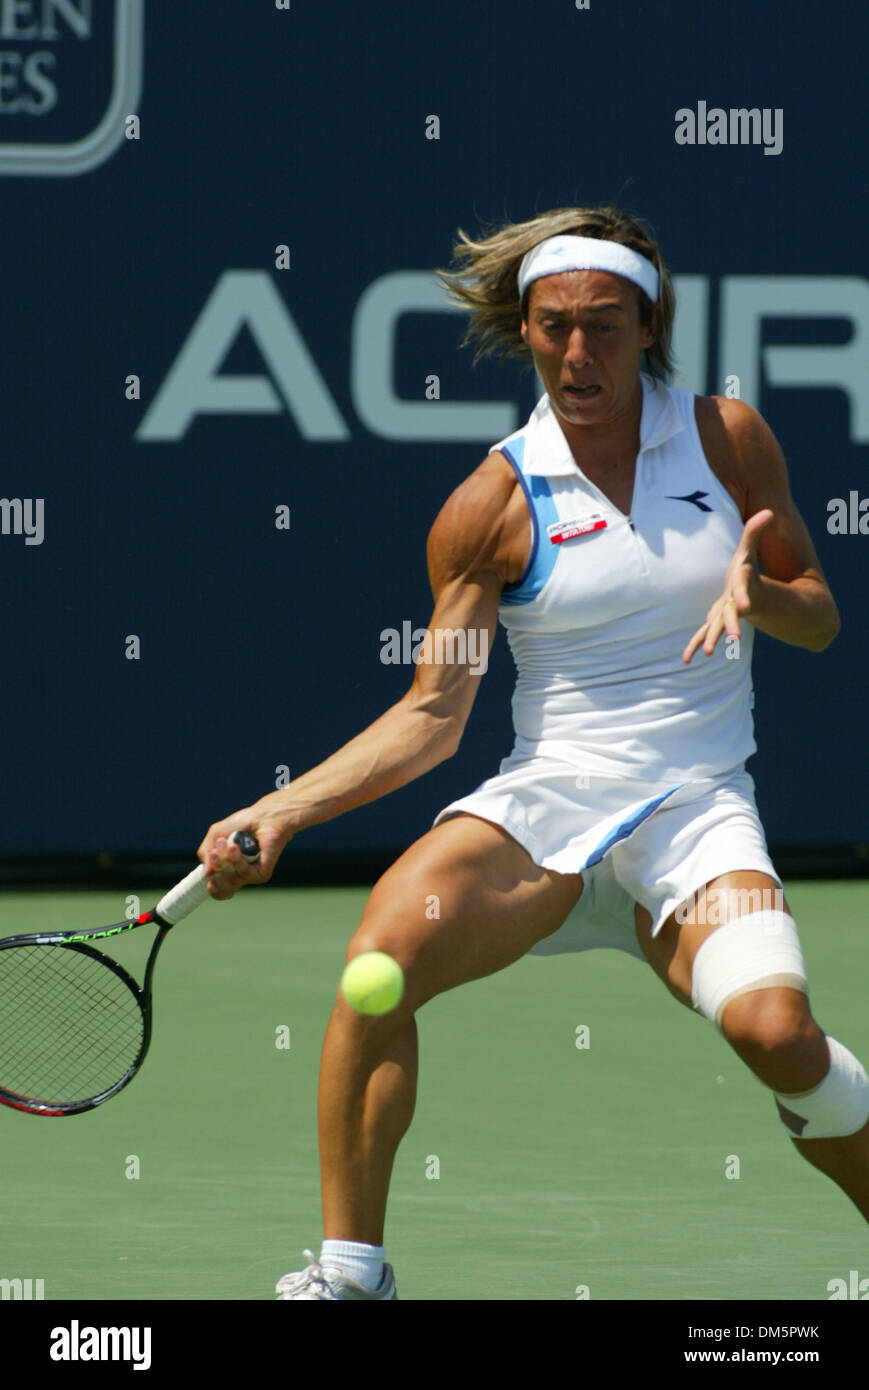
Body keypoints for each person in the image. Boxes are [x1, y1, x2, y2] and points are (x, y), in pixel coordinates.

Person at [198, 205, 869, 1301]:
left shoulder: (727, 439)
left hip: (696, 809)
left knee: (776, 1030)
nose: (574, 353)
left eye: (602, 326)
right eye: (552, 326)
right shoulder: (490, 505)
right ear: (525, 330)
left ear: (646, 326)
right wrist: (281, 811)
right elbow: (431, 712)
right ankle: (348, 1274)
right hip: (546, 810)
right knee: (378, 970)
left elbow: (820, 615)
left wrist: (759, 599)